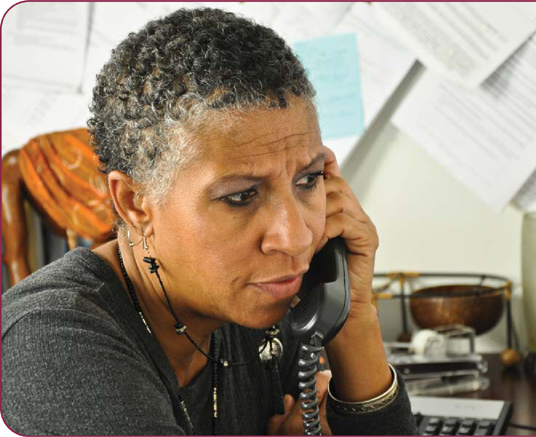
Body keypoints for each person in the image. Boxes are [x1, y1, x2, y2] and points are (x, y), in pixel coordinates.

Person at [2, 7, 417, 435]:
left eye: (308, 180)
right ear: (134, 203)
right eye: (240, 196)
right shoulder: (53, 342)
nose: (295, 239)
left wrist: (353, 318)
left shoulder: (265, 298)